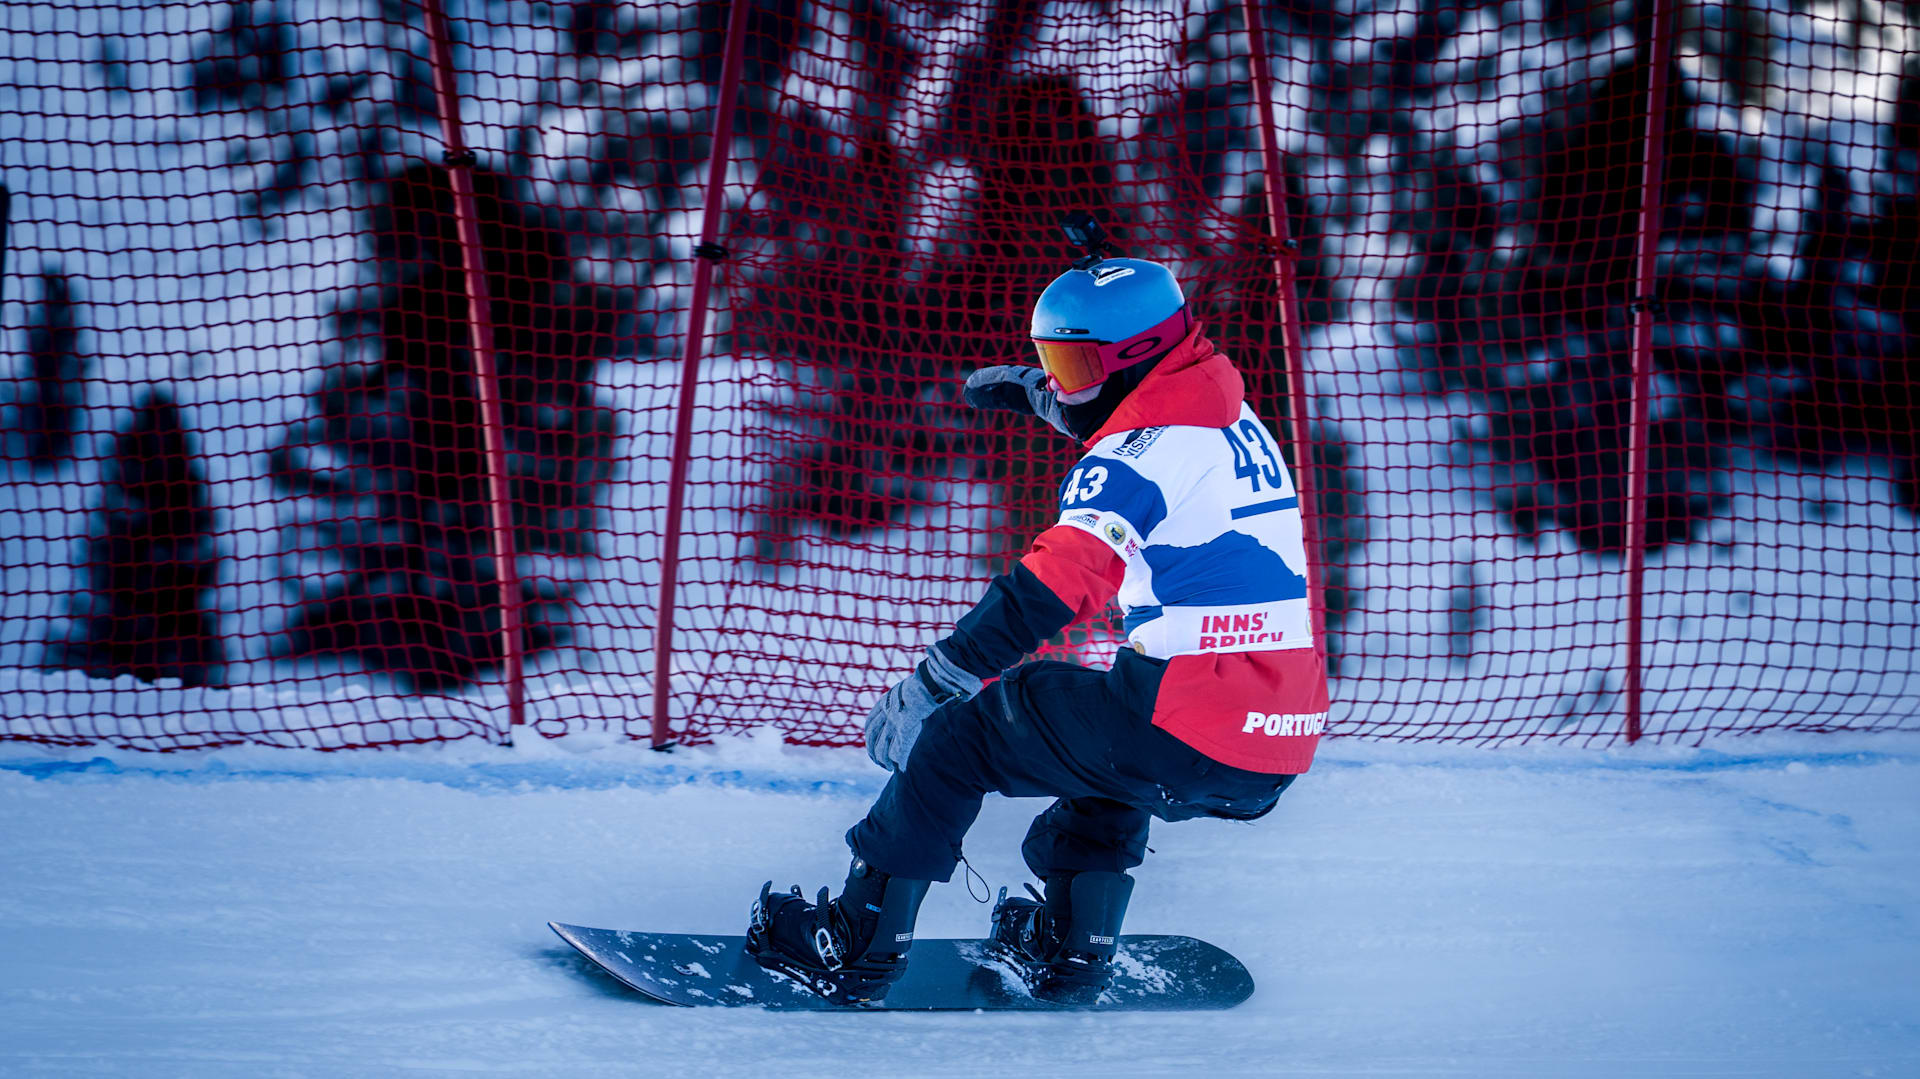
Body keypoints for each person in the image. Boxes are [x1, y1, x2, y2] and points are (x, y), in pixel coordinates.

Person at [746, 251, 1329, 1005]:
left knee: (964, 733)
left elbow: (1060, 578)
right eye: (1051, 361)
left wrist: (941, 678)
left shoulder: (1130, 459)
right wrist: (1052, 400)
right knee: (1103, 729)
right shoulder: (1233, 420)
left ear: (1132, 358)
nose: (1060, 382)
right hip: (1278, 736)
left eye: (1074, 365)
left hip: (1190, 716)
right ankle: (1074, 943)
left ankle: (856, 942)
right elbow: (1150, 432)